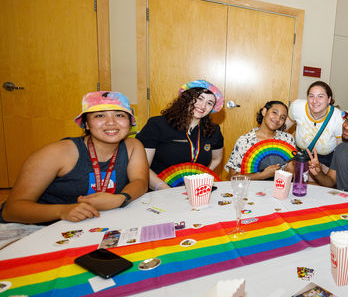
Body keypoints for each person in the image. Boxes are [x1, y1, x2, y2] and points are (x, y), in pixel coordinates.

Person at [0, 92, 149, 224]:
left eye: (119, 115)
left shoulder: (133, 146)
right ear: (86, 124)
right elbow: (11, 211)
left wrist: (121, 198)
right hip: (38, 227)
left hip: (92, 225)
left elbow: (140, 182)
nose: (111, 122)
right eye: (99, 115)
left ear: (130, 123)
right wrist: (62, 211)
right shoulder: (56, 153)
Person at [136, 80, 224, 190]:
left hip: (195, 191)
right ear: (187, 98)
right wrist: (167, 190)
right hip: (159, 191)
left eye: (209, 103)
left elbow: (216, 159)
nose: (203, 105)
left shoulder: (213, 130)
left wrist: (201, 177)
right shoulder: (157, 124)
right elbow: (142, 168)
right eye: (199, 98)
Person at [225, 101, 295, 179]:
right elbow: (233, 177)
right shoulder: (244, 141)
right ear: (264, 111)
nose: (278, 119)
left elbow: (290, 168)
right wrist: (263, 175)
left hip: (279, 187)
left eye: (282, 117)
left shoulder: (287, 139)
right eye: (274, 112)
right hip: (250, 189)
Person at [285, 81, 343, 173]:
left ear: (329, 99)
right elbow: (283, 128)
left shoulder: (338, 117)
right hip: (301, 155)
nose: (315, 101)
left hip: (325, 160)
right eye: (311, 96)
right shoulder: (297, 107)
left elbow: (341, 149)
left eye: (320, 96)